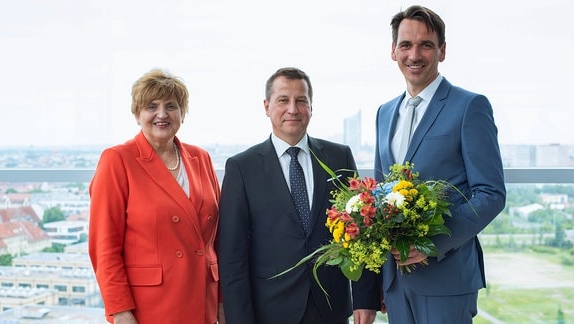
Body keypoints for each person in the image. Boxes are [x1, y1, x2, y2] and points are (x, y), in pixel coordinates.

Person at [365, 5, 507, 323]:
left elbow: (491, 193)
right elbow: (377, 196)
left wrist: (431, 245)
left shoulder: (470, 107)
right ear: (393, 51)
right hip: (396, 283)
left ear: (442, 51)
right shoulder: (384, 113)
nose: (414, 55)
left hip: (447, 279)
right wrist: (374, 281)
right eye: (406, 45)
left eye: (426, 45)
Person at [217, 67, 378, 324]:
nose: (292, 109)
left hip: (331, 308)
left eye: (301, 100)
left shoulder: (340, 157)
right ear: (267, 106)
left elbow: (363, 231)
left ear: (311, 107)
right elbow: (232, 256)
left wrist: (365, 299)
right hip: (269, 312)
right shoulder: (241, 168)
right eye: (283, 100)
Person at [88, 69, 224, 324]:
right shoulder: (117, 160)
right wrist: (120, 311)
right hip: (150, 307)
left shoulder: (201, 158)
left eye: (171, 106)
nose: (162, 114)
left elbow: (218, 240)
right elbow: (104, 246)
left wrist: (222, 300)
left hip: (203, 299)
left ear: (182, 113)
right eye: (152, 106)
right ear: (137, 114)